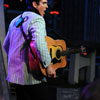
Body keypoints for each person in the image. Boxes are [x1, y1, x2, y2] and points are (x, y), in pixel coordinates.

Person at [3, 0, 56, 100]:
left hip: (16, 77)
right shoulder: (37, 19)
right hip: (32, 75)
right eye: (44, 3)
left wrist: (16, 63)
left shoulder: (15, 20)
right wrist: (48, 65)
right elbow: (39, 43)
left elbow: (6, 46)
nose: (47, 7)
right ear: (35, 4)